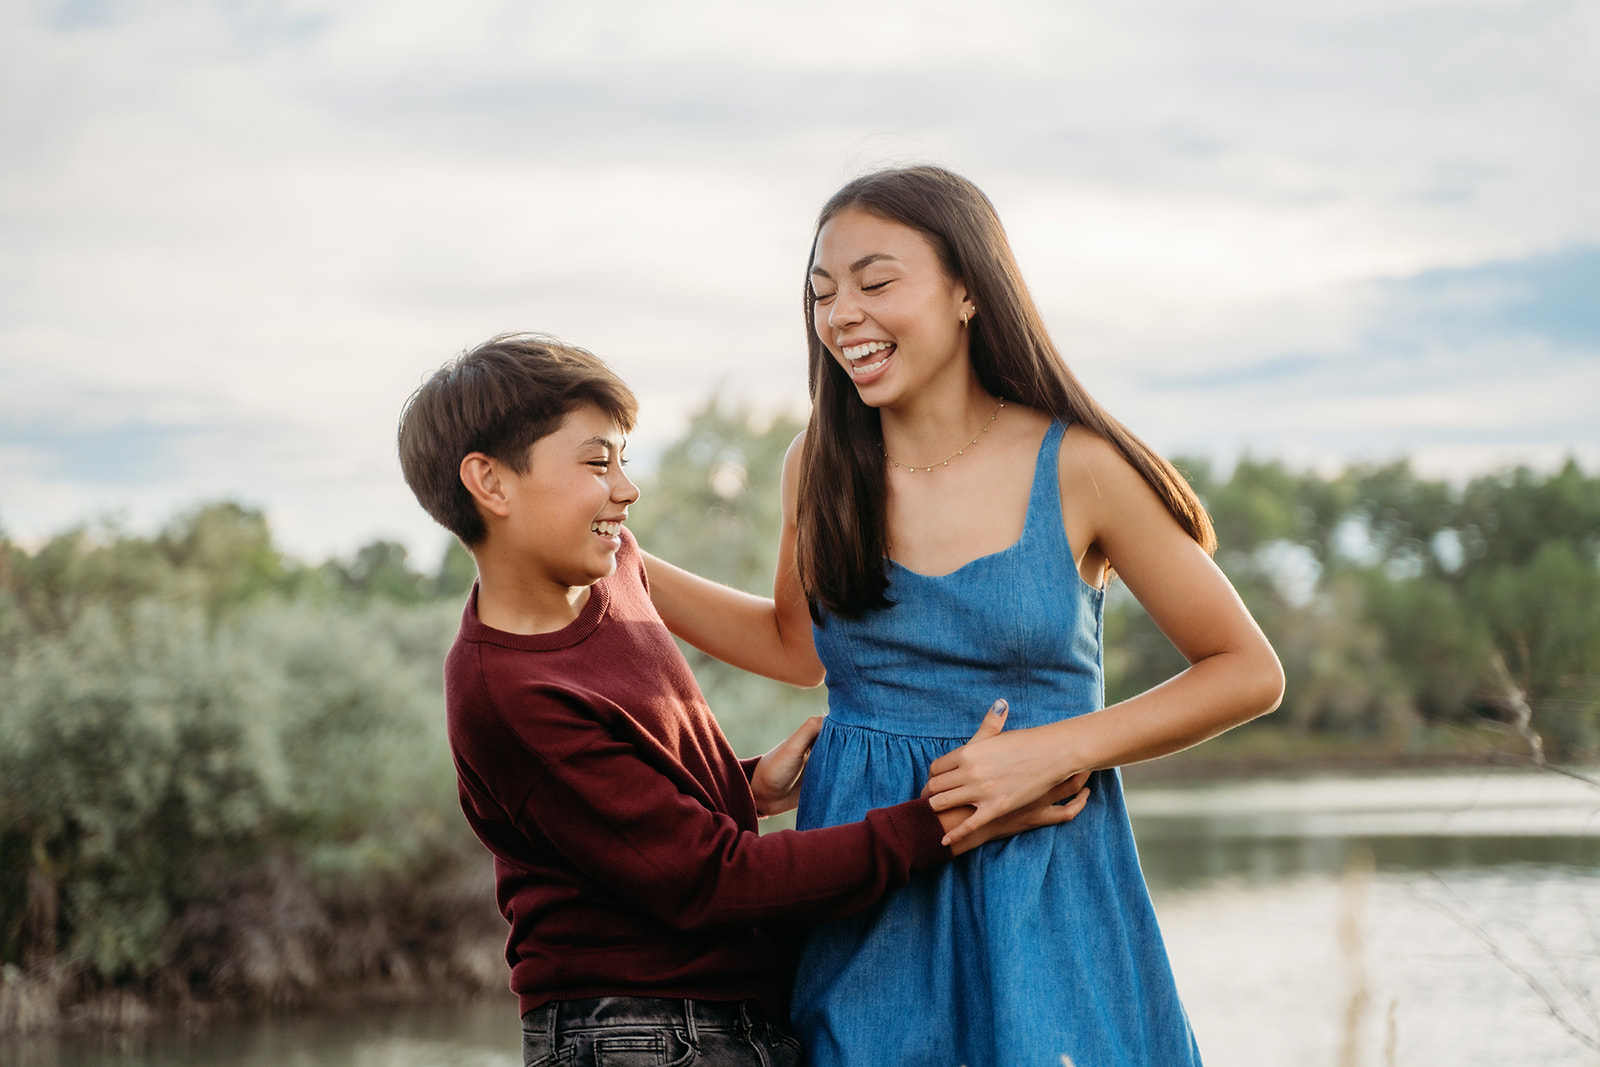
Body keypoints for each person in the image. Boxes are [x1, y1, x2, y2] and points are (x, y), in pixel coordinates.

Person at [641, 167, 1286, 1067]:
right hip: (865, 889)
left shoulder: (1081, 465)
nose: (841, 317)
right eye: (823, 295)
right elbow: (796, 647)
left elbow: (1247, 669)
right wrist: (624, 564)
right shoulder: (817, 464)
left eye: (875, 282)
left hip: (1043, 879)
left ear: (970, 290)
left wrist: (1060, 746)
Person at [394, 333, 1091, 1067]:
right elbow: (713, 881)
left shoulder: (614, 568)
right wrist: (945, 820)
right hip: (631, 1035)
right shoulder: (507, 694)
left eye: (624, 460)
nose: (627, 489)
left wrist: (743, 784)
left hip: (726, 1017)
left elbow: (638, 812)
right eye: (598, 462)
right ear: (490, 482)